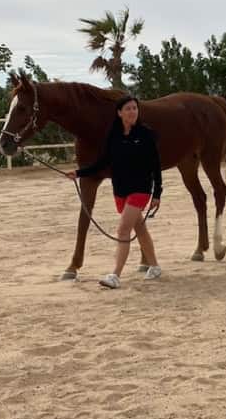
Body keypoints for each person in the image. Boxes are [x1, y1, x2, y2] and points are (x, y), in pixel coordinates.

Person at [67, 95, 162, 289]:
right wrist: (78, 173)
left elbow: (156, 166)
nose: (132, 112)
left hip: (141, 189)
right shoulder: (114, 135)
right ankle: (154, 266)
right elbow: (102, 163)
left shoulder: (145, 134)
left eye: (135, 108)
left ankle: (115, 275)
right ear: (119, 113)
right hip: (120, 190)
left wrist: (157, 194)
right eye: (128, 109)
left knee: (123, 229)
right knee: (139, 228)